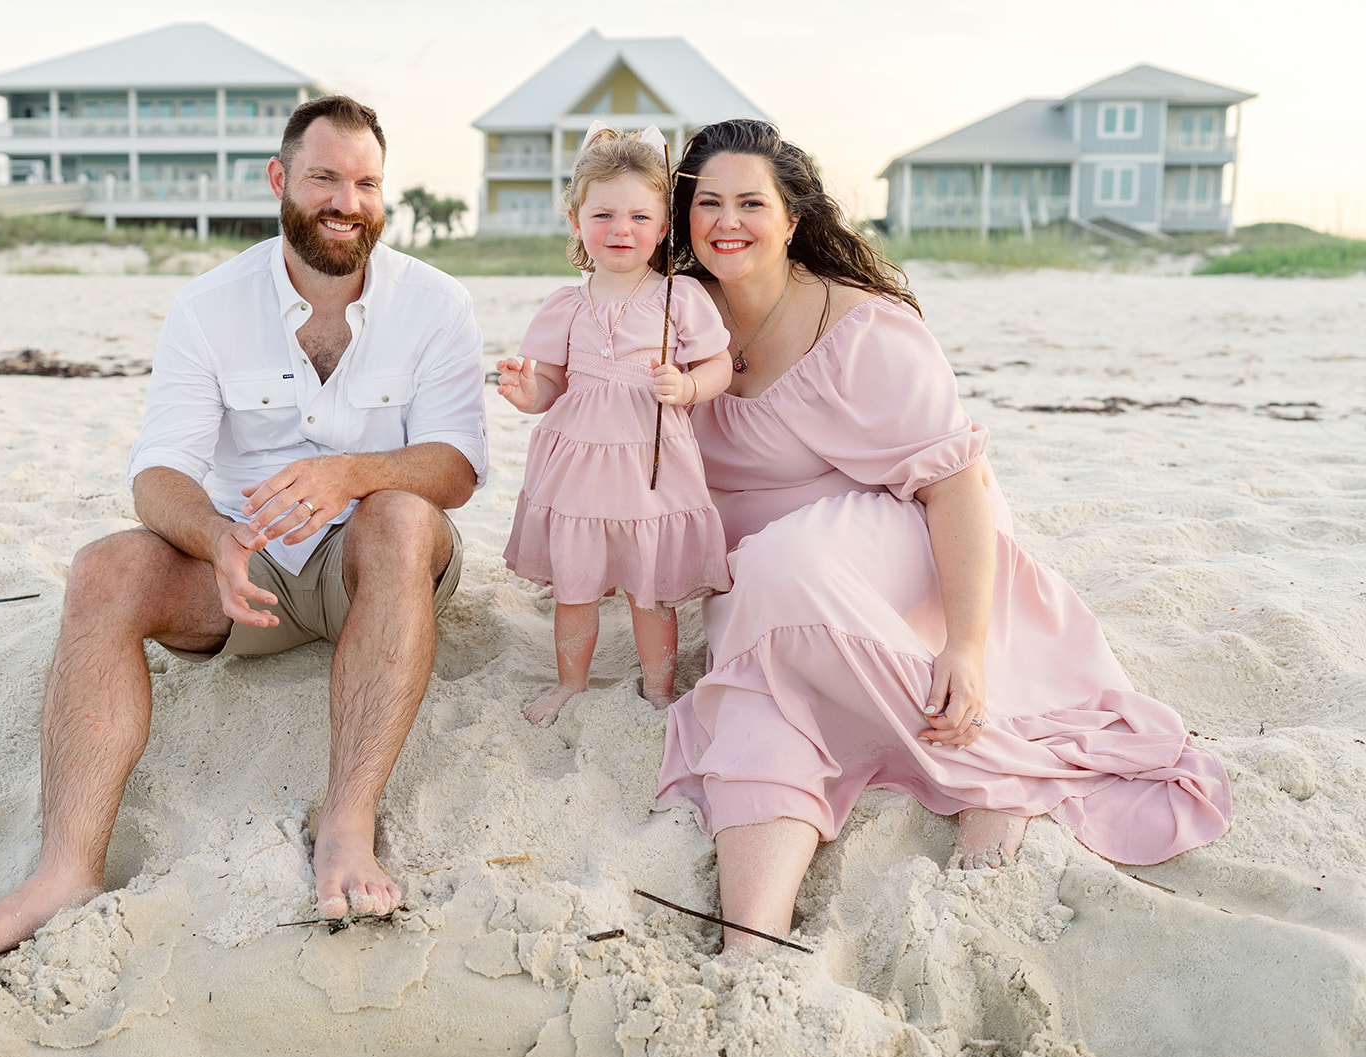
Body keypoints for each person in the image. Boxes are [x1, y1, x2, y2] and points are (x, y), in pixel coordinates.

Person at [0, 95, 487, 967]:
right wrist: (215, 533)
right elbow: (157, 474)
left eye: (366, 182)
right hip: (246, 569)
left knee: (403, 514)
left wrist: (353, 471)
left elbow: (456, 469)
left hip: (380, 565)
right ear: (280, 181)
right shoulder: (209, 305)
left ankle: (346, 823)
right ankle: (66, 866)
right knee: (104, 566)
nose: (346, 200)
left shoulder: (436, 302)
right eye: (325, 177)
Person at [651, 119, 1233, 958]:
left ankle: (995, 771)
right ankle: (752, 940)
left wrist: (964, 642)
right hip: (763, 577)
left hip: (905, 536)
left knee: (782, 567)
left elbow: (957, 483)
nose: (726, 220)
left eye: (751, 201)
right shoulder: (676, 317)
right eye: (707, 202)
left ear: (793, 217)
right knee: (754, 671)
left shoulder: (860, 328)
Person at [496, 124, 732, 726]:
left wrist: (688, 386)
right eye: (602, 215)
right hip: (578, 464)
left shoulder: (678, 298)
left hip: (650, 464)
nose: (620, 230)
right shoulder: (565, 305)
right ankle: (570, 683)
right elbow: (552, 385)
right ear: (576, 222)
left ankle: (658, 688)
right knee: (575, 585)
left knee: (648, 585)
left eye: (638, 217)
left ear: (662, 227)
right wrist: (527, 392)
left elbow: (719, 366)